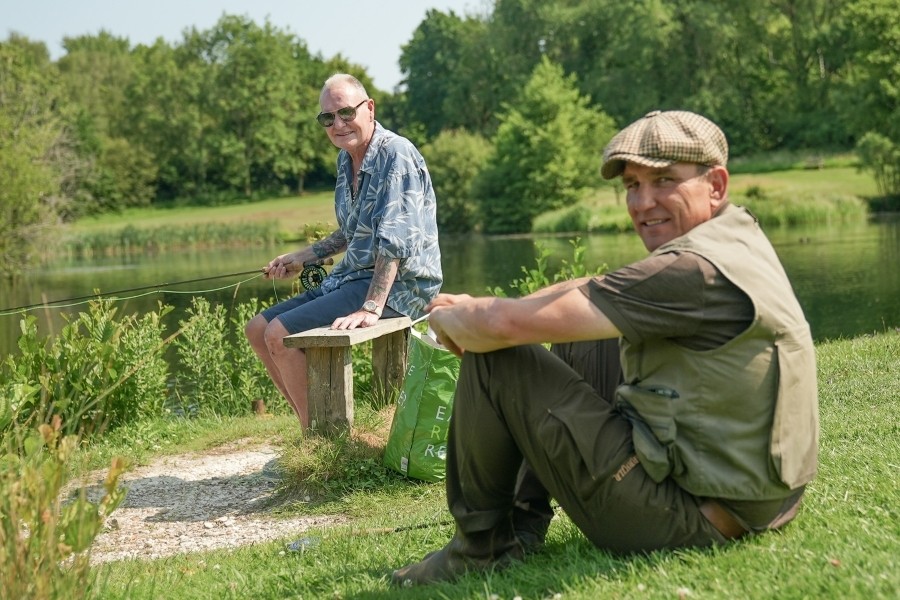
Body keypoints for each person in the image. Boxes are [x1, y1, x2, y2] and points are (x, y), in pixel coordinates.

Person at [391, 110, 819, 586]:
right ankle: (521, 522)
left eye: (664, 180)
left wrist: (452, 316)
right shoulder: (735, 237)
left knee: (500, 357)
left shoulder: (691, 273)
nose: (644, 201)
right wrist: (484, 307)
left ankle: (481, 551)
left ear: (715, 184)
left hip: (690, 518)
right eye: (633, 184)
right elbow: (593, 286)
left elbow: (504, 327)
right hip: (755, 495)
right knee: (583, 343)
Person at [245, 73, 442, 429]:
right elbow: (353, 231)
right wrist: (303, 257)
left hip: (401, 286)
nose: (338, 123)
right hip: (354, 277)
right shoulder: (346, 160)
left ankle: (320, 440)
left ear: (369, 109)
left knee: (278, 334)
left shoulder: (395, 155)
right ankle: (313, 427)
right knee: (258, 329)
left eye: (346, 112)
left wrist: (371, 307)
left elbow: (394, 241)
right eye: (328, 118)